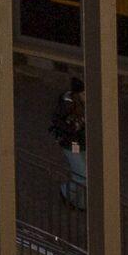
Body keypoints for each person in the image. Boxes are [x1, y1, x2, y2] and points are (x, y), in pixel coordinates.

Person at [52, 72, 89, 208]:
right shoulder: (68, 104)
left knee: (84, 173)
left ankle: (80, 203)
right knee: (82, 175)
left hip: (81, 142)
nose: (87, 96)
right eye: (84, 94)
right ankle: (65, 192)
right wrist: (75, 126)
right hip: (72, 143)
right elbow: (59, 122)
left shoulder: (81, 103)